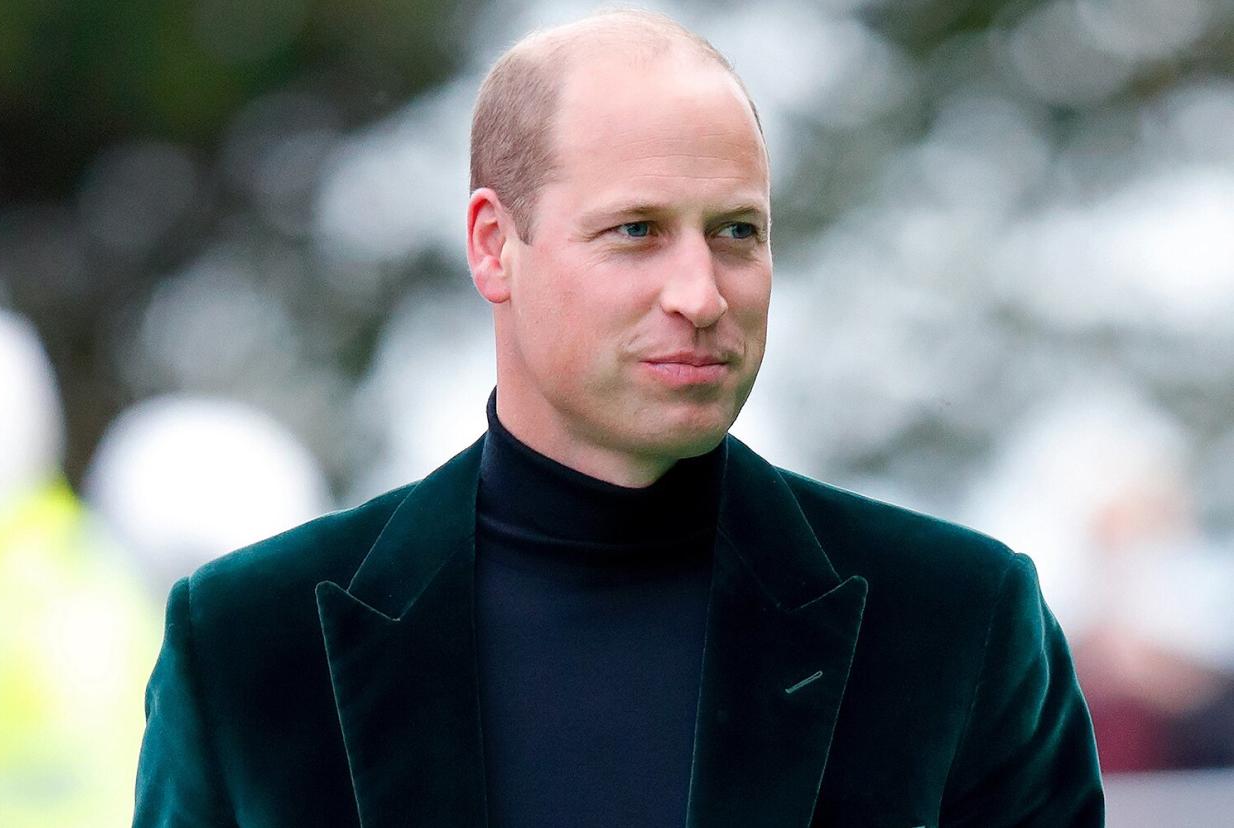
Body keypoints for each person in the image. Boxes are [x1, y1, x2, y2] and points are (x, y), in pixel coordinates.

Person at [133, 10, 1103, 827]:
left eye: (737, 233)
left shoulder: (955, 626)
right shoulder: (248, 647)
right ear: (492, 246)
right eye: (635, 231)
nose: (700, 292)